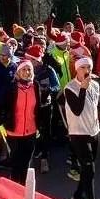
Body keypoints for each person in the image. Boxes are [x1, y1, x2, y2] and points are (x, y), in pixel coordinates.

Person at [63, 57, 100, 199]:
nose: (87, 70)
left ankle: (77, 195)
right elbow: (77, 110)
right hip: (78, 133)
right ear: (77, 69)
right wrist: (82, 88)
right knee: (89, 169)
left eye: (89, 67)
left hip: (94, 131)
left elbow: (97, 102)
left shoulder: (95, 84)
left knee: (89, 169)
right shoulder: (70, 87)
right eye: (83, 67)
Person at [0, 62, 40, 184]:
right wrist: (1, 124)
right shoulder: (11, 87)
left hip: (31, 130)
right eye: (24, 70)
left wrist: (39, 125)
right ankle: (16, 188)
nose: (27, 72)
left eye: (29, 69)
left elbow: (39, 108)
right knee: (16, 163)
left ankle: (24, 189)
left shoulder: (35, 86)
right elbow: (1, 107)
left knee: (26, 162)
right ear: (18, 73)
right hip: (14, 132)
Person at [25, 43, 59, 174]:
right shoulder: (26, 70)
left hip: (45, 106)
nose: (29, 61)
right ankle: (36, 150)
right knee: (33, 130)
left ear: (37, 59)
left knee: (45, 131)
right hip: (31, 106)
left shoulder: (48, 69)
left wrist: (49, 90)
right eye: (28, 58)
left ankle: (44, 158)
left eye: (31, 59)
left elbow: (56, 85)